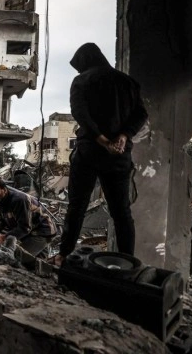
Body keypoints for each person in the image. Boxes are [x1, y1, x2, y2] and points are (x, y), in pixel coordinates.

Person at [49, 42, 148, 266]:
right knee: (121, 212)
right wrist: (124, 135)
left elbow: (80, 113)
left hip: (89, 152)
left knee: (77, 207)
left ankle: (63, 255)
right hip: (119, 156)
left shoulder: (82, 81)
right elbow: (141, 114)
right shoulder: (128, 82)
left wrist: (101, 140)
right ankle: (128, 264)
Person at [0, 180, 57, 257]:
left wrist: (3, 237)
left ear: (5, 190)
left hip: (41, 231)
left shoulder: (19, 200)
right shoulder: (1, 203)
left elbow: (25, 227)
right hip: (29, 232)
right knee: (35, 261)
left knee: (15, 256)